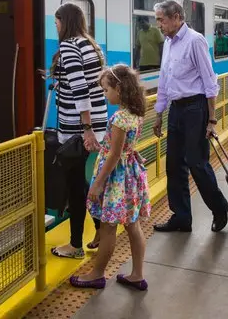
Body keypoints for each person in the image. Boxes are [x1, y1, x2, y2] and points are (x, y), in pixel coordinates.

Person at [70, 64, 151, 290]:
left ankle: (97, 274)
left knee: (107, 227)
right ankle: (137, 275)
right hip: (130, 175)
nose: (105, 95)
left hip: (115, 178)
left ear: (119, 89)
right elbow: (124, 148)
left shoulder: (119, 118)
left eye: (106, 90)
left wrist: (97, 184)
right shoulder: (136, 114)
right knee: (132, 226)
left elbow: (114, 155)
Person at [151, 0, 228, 233]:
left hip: (196, 108)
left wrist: (212, 119)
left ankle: (219, 208)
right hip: (176, 109)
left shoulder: (195, 41)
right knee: (173, 165)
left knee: (197, 163)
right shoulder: (168, 43)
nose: (159, 25)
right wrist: (158, 115)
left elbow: (209, 81)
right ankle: (182, 217)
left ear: (176, 17)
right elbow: (164, 81)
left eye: (161, 20)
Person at [48, 3, 107, 259]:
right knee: (81, 183)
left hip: (76, 129)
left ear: (65, 21)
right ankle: (101, 230)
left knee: (75, 186)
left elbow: (80, 89)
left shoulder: (69, 46)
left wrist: (86, 128)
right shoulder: (88, 43)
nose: (56, 26)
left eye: (57, 22)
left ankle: (74, 245)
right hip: (94, 123)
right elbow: (87, 80)